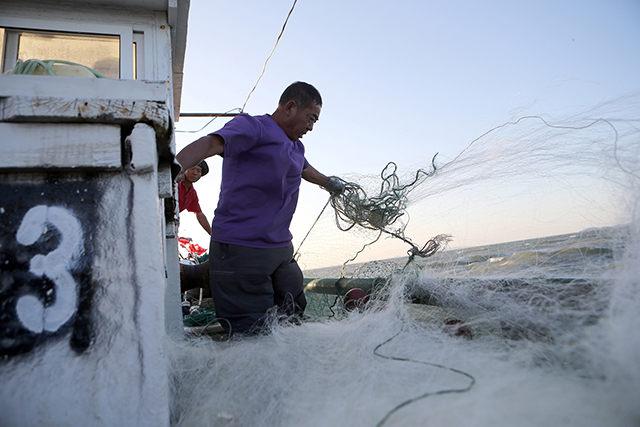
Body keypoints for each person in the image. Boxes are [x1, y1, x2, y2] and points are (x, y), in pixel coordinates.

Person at [176, 81, 344, 334]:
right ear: (290, 107)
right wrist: (172, 169)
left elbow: (307, 171)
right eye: (311, 118)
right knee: (251, 331)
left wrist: (332, 184)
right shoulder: (253, 127)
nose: (311, 127)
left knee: (292, 315)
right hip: (241, 247)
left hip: (280, 249)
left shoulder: (297, 147)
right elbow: (210, 144)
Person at [178, 161, 212, 235]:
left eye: (198, 171)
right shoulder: (176, 182)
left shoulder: (192, 194)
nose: (195, 173)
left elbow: (199, 214)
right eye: (193, 169)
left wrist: (212, 234)